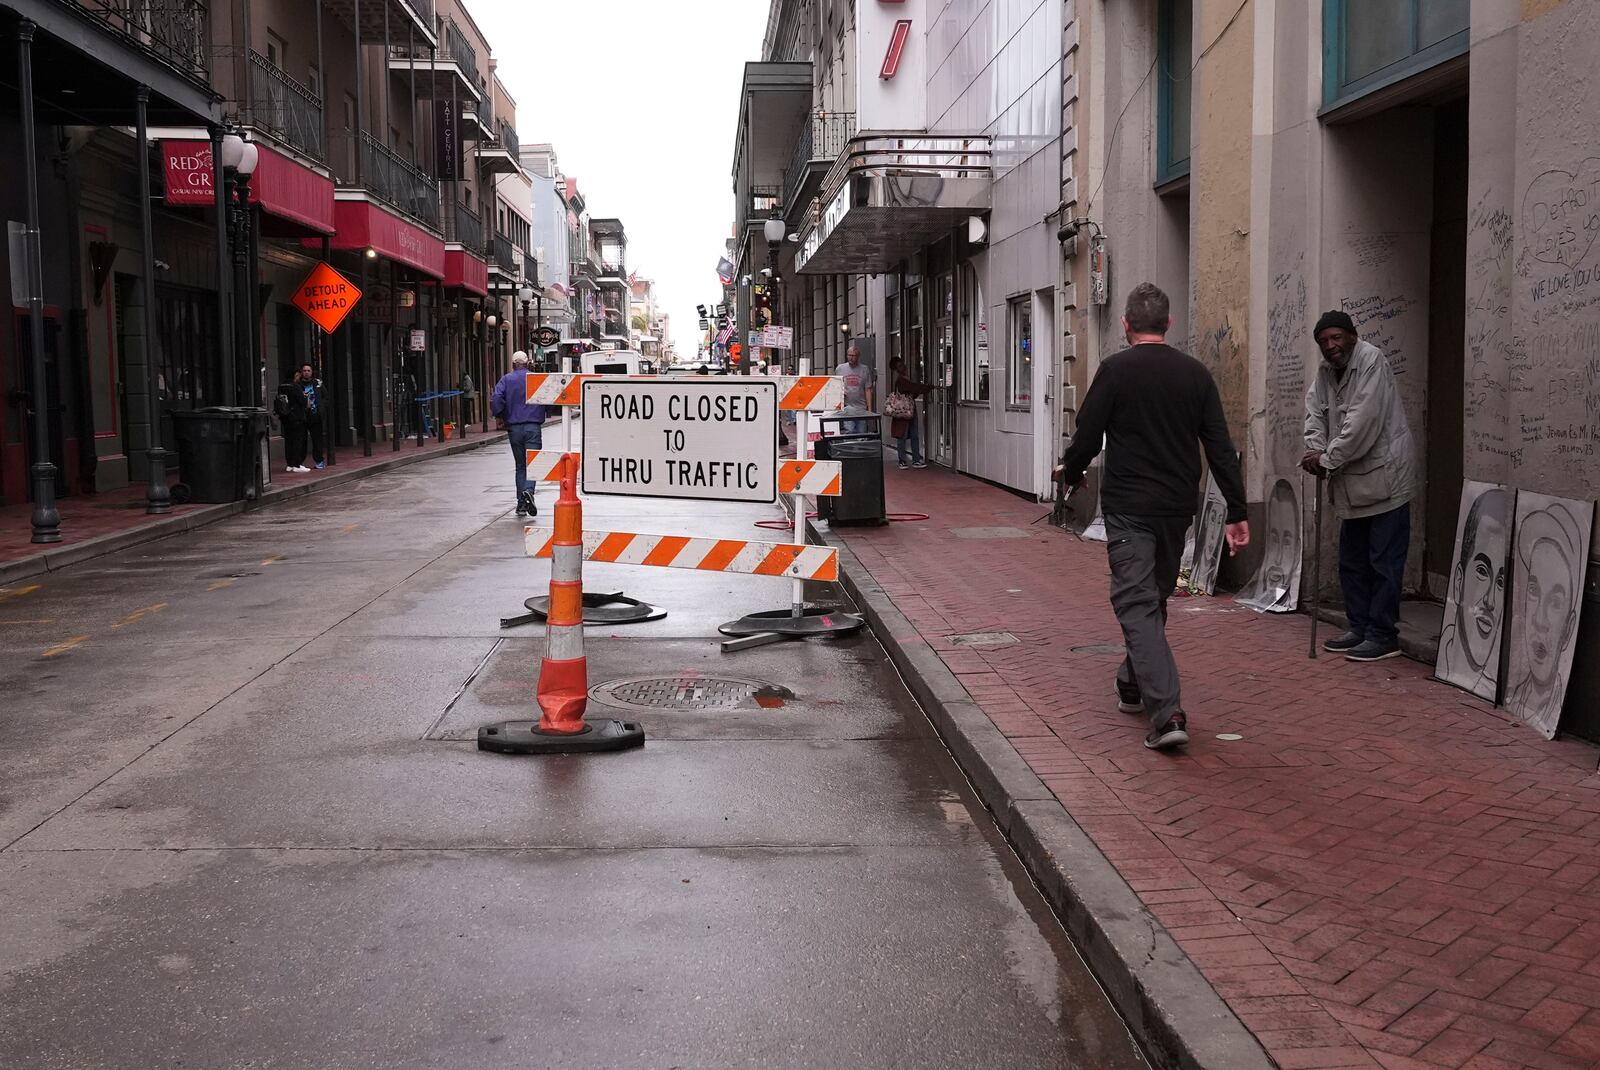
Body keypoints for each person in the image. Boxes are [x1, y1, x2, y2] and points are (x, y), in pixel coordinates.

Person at [1055, 282, 1249, 751]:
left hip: (1129, 509)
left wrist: (1071, 472)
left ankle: (1167, 714)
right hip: (1176, 508)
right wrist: (1237, 512)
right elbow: (1220, 447)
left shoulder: (1115, 371)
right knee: (1152, 596)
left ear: (1125, 325)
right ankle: (1132, 681)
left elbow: (1088, 434)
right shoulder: (1196, 375)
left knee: (1140, 602)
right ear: (1168, 323)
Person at [1301, 309, 1416, 663]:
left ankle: (1383, 635)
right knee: (1352, 561)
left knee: (1383, 561)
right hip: (1353, 483)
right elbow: (1314, 412)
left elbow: (1362, 421)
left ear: (1352, 335)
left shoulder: (1372, 361)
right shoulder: (1325, 372)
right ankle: (1360, 626)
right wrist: (1315, 447)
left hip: (1386, 478)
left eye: (1336, 338)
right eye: (1324, 341)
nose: (1331, 346)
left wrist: (1328, 459)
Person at [490, 351, 547, 517]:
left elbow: (496, 398)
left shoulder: (506, 380)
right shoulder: (535, 379)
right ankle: (528, 491)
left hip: (514, 428)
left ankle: (521, 504)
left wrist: (500, 415)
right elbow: (548, 397)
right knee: (533, 464)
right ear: (527, 363)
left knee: (520, 465)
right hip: (533, 427)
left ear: (513, 364)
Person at [886, 356, 933, 469]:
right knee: (904, 435)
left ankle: (913, 459)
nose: (903, 367)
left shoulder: (903, 379)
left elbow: (912, 390)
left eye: (902, 364)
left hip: (908, 410)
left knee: (912, 434)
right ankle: (905, 460)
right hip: (904, 410)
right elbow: (914, 388)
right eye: (900, 366)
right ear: (896, 369)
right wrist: (927, 387)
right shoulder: (901, 380)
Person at [277, 364, 325, 474]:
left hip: (286, 416)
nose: (304, 374)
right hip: (297, 417)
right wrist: (305, 397)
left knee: (289, 441)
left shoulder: (282, 386)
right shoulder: (295, 386)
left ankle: (290, 464)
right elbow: (304, 402)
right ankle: (297, 464)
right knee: (298, 441)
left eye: (308, 370)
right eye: (301, 372)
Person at [835, 343, 875, 434]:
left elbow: (868, 389)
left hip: (861, 407)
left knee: (862, 432)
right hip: (847, 407)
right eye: (849, 355)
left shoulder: (864, 369)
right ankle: (851, 447)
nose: (851, 358)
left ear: (858, 356)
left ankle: (860, 448)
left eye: (853, 355)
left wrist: (869, 409)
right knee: (850, 431)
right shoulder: (840, 369)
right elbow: (836, 385)